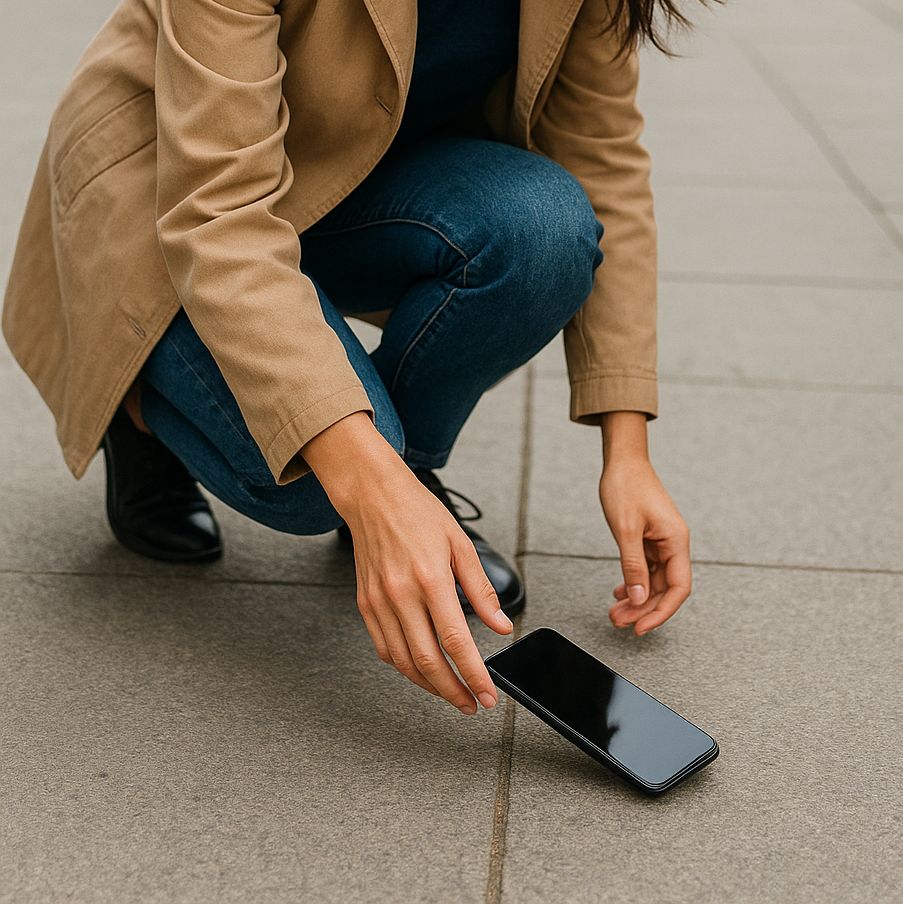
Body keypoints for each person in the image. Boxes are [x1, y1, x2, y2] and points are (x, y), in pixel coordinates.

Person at [2, 0, 707, 720]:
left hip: (355, 174)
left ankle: (397, 484)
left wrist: (627, 449)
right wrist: (360, 477)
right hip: (167, 196)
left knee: (542, 228)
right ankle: (141, 405)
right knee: (313, 478)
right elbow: (219, 214)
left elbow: (601, 158)